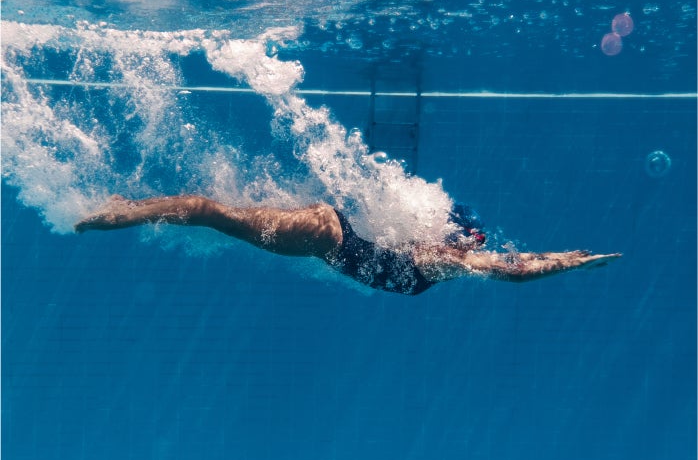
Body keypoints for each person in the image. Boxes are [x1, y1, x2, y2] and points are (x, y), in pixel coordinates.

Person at [75, 195, 621, 295]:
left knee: (213, 213)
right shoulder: (443, 262)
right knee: (210, 214)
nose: (471, 250)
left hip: (329, 230)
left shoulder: (441, 255)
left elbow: (511, 265)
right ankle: (117, 216)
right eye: (468, 241)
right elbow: (512, 271)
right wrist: (568, 264)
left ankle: (127, 209)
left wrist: (566, 261)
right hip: (323, 235)